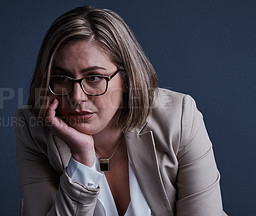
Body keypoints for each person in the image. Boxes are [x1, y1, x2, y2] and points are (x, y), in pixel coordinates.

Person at [15, 5, 226, 216]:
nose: (77, 97)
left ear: (126, 78)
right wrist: (81, 161)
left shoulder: (178, 118)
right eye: (62, 78)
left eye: (94, 78)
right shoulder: (35, 131)